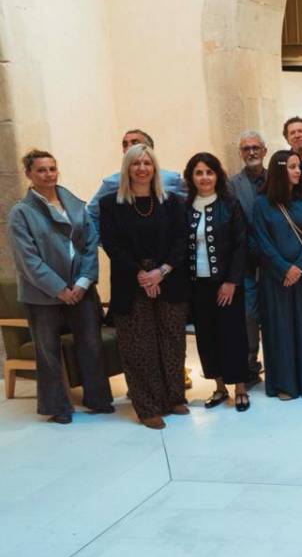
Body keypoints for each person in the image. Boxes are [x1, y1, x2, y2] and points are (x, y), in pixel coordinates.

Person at [7, 150, 113, 423]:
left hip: (81, 290)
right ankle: (57, 407)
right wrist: (59, 289)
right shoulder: (21, 213)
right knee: (48, 353)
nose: (48, 174)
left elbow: (91, 244)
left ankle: (98, 398)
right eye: (41, 170)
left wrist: (82, 283)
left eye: (52, 169)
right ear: (29, 174)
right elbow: (28, 260)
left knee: (91, 345)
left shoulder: (75, 205)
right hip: (43, 295)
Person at [98, 144, 189, 428]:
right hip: (130, 282)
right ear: (127, 168)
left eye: (147, 163)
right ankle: (147, 405)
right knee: (139, 347)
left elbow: (180, 241)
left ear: (154, 167)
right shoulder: (111, 204)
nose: (141, 168)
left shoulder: (172, 202)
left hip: (169, 281)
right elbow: (112, 244)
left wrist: (160, 272)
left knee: (172, 342)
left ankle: (174, 397)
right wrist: (141, 274)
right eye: (135, 163)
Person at [253, 150, 302, 400]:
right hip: (276, 278)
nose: (298, 171)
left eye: (298, 166)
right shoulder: (262, 204)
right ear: (279, 171)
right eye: (292, 167)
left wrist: (300, 266)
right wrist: (285, 268)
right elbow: (262, 241)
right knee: (279, 329)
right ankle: (285, 385)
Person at [184, 153, 252, 413]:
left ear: (217, 176)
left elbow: (240, 244)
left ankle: (241, 388)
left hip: (227, 285)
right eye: (199, 173)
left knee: (233, 336)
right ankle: (220, 387)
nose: (204, 178)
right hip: (197, 284)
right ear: (192, 177)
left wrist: (231, 281)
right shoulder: (186, 206)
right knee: (206, 337)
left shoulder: (230, 204)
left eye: (209, 172)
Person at [86, 129, 187, 231]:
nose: (128, 147)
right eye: (125, 144)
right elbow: (90, 214)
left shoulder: (171, 179)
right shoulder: (112, 182)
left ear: (149, 149)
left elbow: (191, 205)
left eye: (134, 143)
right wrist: (101, 239)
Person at [230, 130, 267, 385]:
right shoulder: (231, 185)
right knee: (249, 317)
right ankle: (250, 366)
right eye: (246, 149)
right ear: (241, 153)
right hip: (246, 263)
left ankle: (277, 364)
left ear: (264, 151)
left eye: (255, 147)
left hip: (274, 262)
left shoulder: (277, 178)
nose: (251, 152)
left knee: (275, 316)